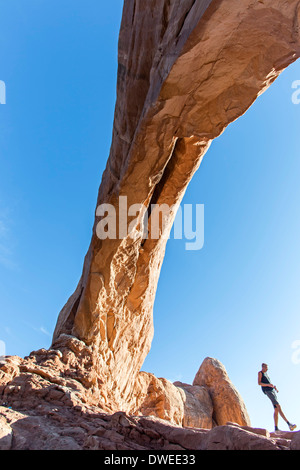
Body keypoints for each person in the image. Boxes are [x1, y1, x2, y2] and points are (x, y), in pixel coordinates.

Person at [258, 363, 296, 432]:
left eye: (267, 368)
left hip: (272, 391)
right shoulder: (260, 373)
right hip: (268, 391)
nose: (267, 369)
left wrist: (273, 386)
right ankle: (289, 424)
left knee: (276, 409)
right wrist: (268, 385)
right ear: (263, 367)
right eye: (266, 368)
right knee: (278, 406)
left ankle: (276, 428)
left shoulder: (266, 374)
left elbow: (268, 383)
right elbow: (259, 383)